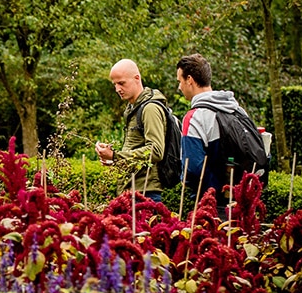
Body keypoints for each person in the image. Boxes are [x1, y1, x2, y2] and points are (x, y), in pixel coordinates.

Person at [175, 53, 260, 207]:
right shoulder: (237, 110)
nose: (179, 87)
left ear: (190, 80)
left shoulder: (195, 117)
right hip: (243, 202)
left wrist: (185, 182)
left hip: (210, 203)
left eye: (180, 81)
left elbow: (192, 168)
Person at [95, 59, 169, 202]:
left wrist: (116, 156)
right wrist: (114, 159)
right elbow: (136, 148)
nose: (117, 89)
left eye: (121, 83)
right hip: (131, 190)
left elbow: (156, 151)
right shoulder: (132, 108)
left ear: (137, 78)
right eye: (114, 84)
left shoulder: (150, 109)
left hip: (145, 192)